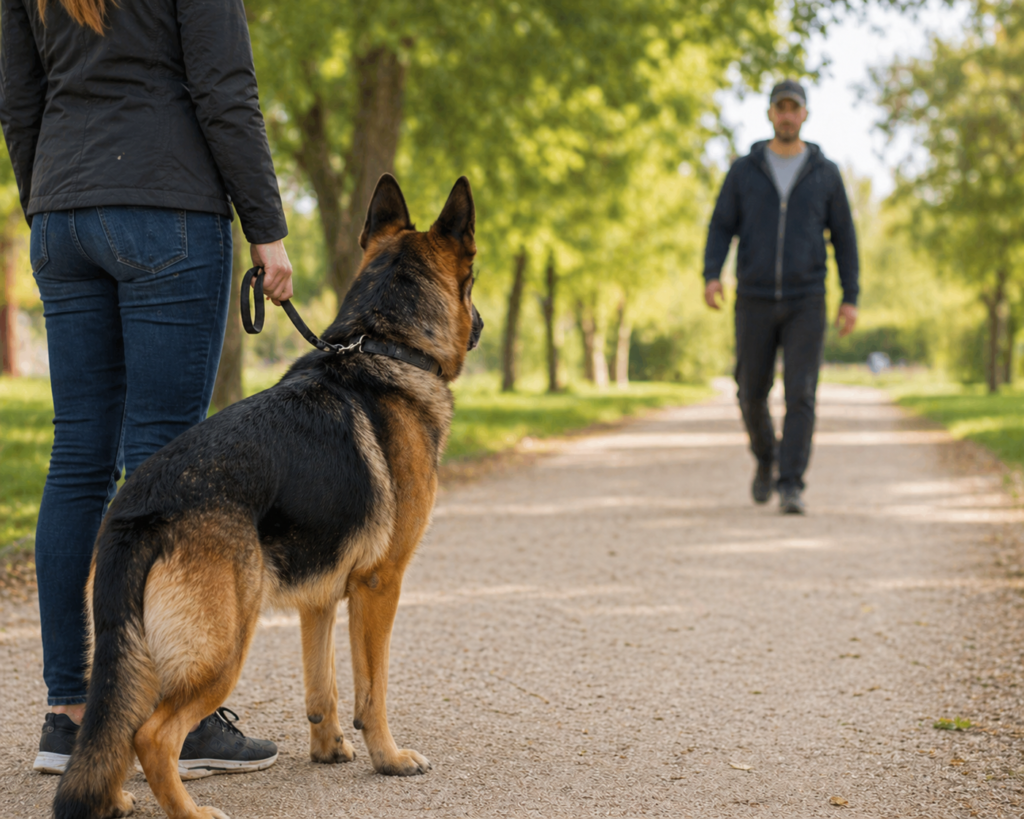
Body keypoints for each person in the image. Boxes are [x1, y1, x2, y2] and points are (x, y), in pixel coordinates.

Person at [0, 0, 294, 777]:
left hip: (63, 211)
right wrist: (267, 226)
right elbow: (224, 88)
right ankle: (173, 715)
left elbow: (19, 98)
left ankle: (69, 715)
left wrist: (52, 204)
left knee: (79, 455)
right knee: (165, 461)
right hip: (166, 206)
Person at [702, 79, 859, 515]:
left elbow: (845, 238)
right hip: (752, 295)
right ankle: (767, 457)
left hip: (806, 297)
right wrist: (712, 275)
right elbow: (720, 226)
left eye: (795, 108)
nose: (787, 115)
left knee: (801, 393)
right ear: (770, 114)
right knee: (750, 390)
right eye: (780, 108)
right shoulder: (743, 169)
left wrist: (851, 297)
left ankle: (791, 483)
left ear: (805, 114)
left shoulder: (825, 172)